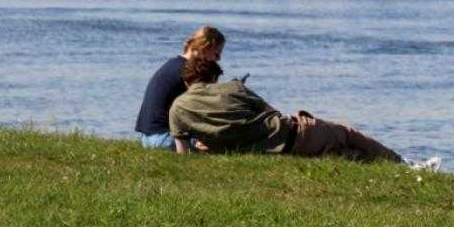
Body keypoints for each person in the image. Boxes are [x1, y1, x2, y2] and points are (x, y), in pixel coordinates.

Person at [168, 57, 424, 166]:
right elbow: (272, 112)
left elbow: (183, 155)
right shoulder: (232, 87)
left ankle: (379, 165)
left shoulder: (177, 109)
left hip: (271, 155)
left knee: (345, 154)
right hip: (295, 136)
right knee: (347, 133)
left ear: (187, 82)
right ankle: (402, 163)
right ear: (212, 76)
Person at [134, 25, 225, 149]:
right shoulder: (189, 72)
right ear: (205, 48)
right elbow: (201, 108)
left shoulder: (174, 64)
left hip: (148, 137)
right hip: (163, 138)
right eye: (216, 53)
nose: (218, 58)